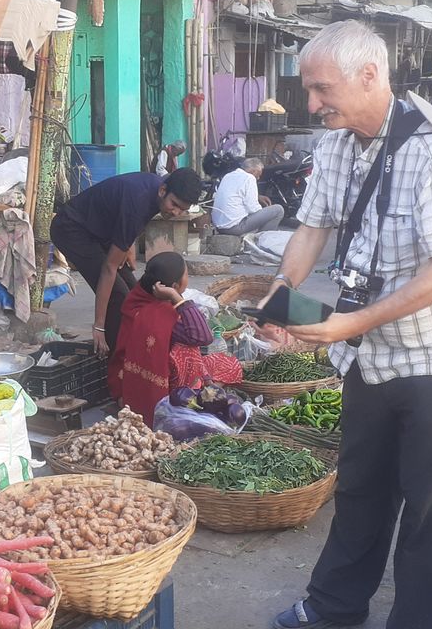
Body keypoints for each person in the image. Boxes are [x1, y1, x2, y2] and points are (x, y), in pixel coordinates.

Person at [262, 21, 432, 629]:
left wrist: (344, 325)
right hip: (370, 354)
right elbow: (312, 228)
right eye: (308, 90)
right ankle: (338, 601)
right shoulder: (336, 145)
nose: (312, 104)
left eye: (320, 89)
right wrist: (279, 295)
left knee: (427, 509)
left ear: (371, 76)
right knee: (361, 486)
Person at [50, 168, 202, 358]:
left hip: (99, 231)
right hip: (71, 229)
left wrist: (128, 246)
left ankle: (139, 343)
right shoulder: (138, 201)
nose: (177, 212)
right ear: (163, 190)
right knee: (119, 296)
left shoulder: (155, 190)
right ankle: (117, 358)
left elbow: (130, 220)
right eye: (175, 204)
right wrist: (99, 325)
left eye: (183, 210)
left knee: (135, 289)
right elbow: (108, 269)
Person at [108, 251, 242, 427]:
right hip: (163, 389)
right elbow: (203, 337)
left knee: (228, 364)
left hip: (130, 382)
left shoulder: (139, 297)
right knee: (189, 348)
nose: (188, 278)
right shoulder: (163, 315)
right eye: (186, 274)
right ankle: (191, 398)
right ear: (174, 285)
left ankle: (202, 390)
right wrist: (177, 299)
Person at [212, 157, 284, 235]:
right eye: (258, 175)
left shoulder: (228, 176)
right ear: (253, 171)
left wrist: (257, 197)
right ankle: (261, 239)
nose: (258, 178)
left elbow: (237, 193)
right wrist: (264, 212)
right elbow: (252, 208)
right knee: (278, 210)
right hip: (233, 227)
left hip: (219, 226)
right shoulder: (249, 178)